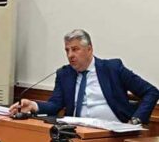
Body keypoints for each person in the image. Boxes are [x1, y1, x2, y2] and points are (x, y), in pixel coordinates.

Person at [9, 29, 159, 123]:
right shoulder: (64, 74)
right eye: (67, 50)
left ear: (89, 49)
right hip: (77, 133)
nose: (70, 55)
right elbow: (55, 105)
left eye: (75, 49)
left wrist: (137, 119)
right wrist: (33, 105)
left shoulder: (112, 68)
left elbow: (151, 92)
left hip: (112, 134)